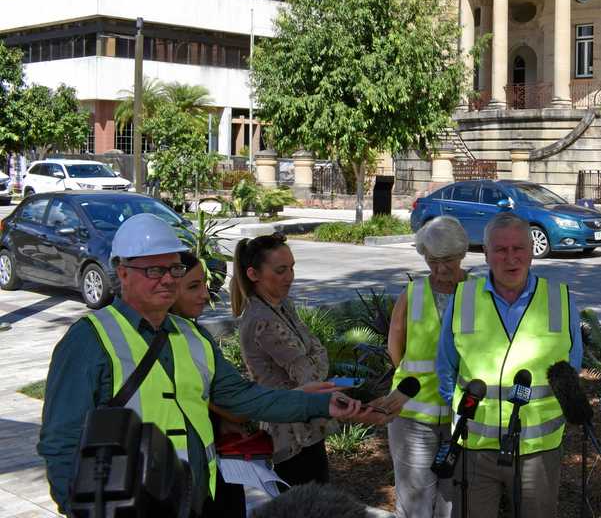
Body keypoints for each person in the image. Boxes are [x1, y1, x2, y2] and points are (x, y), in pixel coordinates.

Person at [37, 213, 364, 515]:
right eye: (154, 270)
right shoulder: (88, 341)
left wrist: (320, 403)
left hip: (198, 501)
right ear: (122, 272)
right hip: (129, 508)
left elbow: (247, 398)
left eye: (174, 269)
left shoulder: (193, 336)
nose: (167, 280)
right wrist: (79, 508)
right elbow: (61, 442)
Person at [436, 212, 583, 518]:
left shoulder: (560, 299)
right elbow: (446, 367)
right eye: (501, 250)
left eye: (518, 248)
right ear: (486, 254)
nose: (511, 258)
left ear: (531, 252)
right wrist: (466, 413)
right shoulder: (463, 298)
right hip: (475, 447)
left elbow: (572, 369)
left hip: (537, 451)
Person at [368, 217, 472, 518]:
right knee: (415, 501)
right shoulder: (412, 293)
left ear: (462, 254)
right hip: (412, 413)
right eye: (432, 261)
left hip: (463, 414)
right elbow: (395, 347)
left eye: (449, 261)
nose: (440, 270)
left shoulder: (478, 292)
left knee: (453, 500)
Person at [232, 232, 347, 489]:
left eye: (292, 268)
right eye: (281, 270)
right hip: (288, 432)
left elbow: (317, 351)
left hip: (305, 424)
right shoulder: (262, 318)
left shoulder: (282, 306)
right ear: (254, 274)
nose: (290, 277)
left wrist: (313, 357)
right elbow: (310, 374)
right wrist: (314, 358)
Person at [169, 252, 247, 518]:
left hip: (214, 469)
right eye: (194, 286)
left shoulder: (196, 333)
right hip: (185, 481)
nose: (205, 294)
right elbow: (232, 402)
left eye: (204, 284)